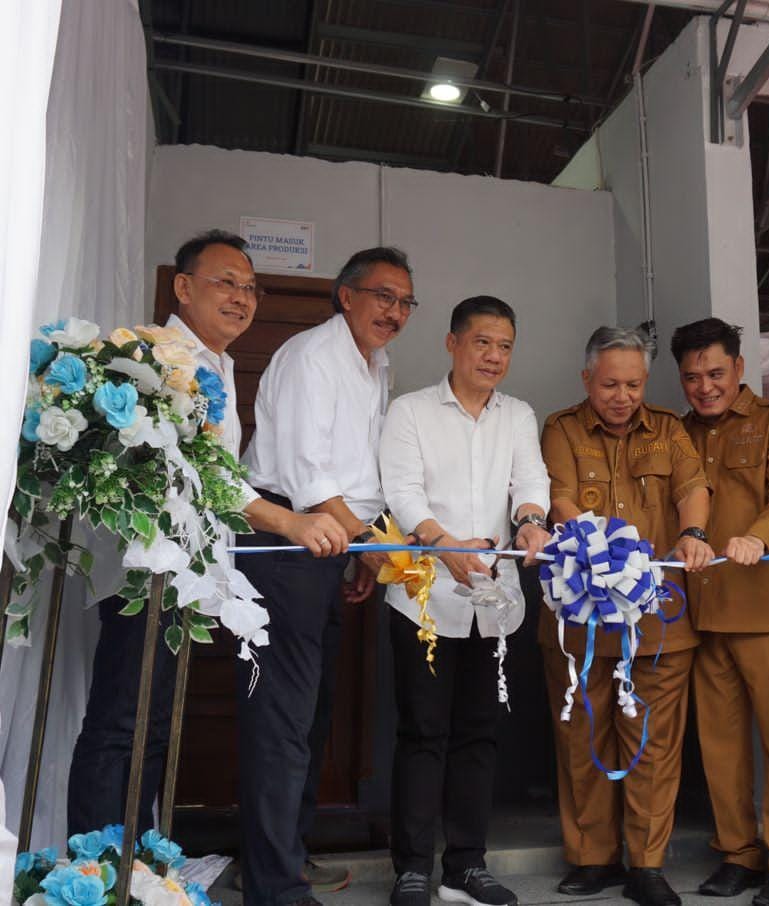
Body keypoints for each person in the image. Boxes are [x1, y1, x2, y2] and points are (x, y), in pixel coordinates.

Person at [66, 230, 348, 840]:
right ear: (184, 287)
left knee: (156, 724)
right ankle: (90, 866)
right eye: (227, 282)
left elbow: (219, 478)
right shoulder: (155, 357)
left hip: (184, 577)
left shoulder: (216, 363)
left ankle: (134, 863)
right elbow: (204, 477)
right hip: (145, 571)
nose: (243, 298)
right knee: (122, 724)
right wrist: (289, 521)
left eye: (250, 288)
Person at [238, 247, 416, 906]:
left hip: (330, 543)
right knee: (281, 717)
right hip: (283, 539)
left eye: (404, 302)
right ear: (346, 295)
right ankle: (273, 886)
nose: (394, 313)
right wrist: (367, 545)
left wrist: (356, 548)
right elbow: (311, 477)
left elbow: (356, 473)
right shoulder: (314, 355)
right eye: (382, 297)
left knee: (311, 713)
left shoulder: (378, 363)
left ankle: (287, 857)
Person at [378, 296, 551, 906]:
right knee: (423, 732)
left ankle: (467, 866)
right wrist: (443, 544)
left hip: (496, 599)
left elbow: (530, 483)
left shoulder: (519, 414)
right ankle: (413, 868)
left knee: (480, 733)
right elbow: (400, 490)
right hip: (425, 599)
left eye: (505, 345)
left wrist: (531, 522)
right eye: (482, 342)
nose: (494, 356)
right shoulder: (411, 411)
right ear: (452, 343)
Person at [539, 327, 714, 906]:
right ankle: (592, 858)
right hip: (581, 616)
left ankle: (647, 863)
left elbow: (693, 487)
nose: (622, 396)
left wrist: (692, 532)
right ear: (587, 377)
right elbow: (560, 498)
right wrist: (596, 543)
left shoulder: (668, 429)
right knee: (582, 736)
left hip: (657, 620)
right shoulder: (561, 429)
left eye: (633, 384)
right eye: (610, 383)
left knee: (653, 745)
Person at [669, 318, 769, 906]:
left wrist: (758, 535)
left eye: (714, 373)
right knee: (721, 744)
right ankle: (738, 852)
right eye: (691, 377)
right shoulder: (677, 433)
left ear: (738, 367)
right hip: (702, 613)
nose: (704, 387)